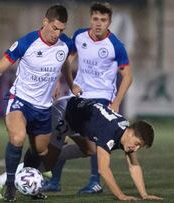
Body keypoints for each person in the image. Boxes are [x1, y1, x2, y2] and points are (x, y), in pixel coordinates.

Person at [0, 5, 81, 202]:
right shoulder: (26, 42)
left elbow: (65, 63)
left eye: (61, 30)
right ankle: (10, 185)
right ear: (45, 22)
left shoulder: (65, 44)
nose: (57, 33)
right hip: (20, 101)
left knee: (41, 151)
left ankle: (27, 183)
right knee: (18, 138)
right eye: (54, 28)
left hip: (44, 107)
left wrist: (67, 84)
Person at [0, 96, 163, 201]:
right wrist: (121, 196)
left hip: (80, 121)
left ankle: (50, 159)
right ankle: (0, 180)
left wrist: (144, 194)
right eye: (137, 143)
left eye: (140, 147)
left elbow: (134, 165)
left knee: (90, 151)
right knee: (47, 162)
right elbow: (103, 170)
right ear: (130, 131)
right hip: (64, 113)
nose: (135, 149)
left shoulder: (125, 135)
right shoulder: (109, 132)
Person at [45, 2, 133, 194]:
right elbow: (66, 61)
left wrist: (116, 102)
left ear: (109, 21)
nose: (98, 23)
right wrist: (57, 83)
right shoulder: (79, 36)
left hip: (101, 98)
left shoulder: (115, 45)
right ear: (90, 19)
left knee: (97, 141)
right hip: (77, 95)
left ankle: (95, 181)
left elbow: (128, 75)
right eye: (95, 19)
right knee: (61, 134)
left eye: (103, 20)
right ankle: (53, 180)